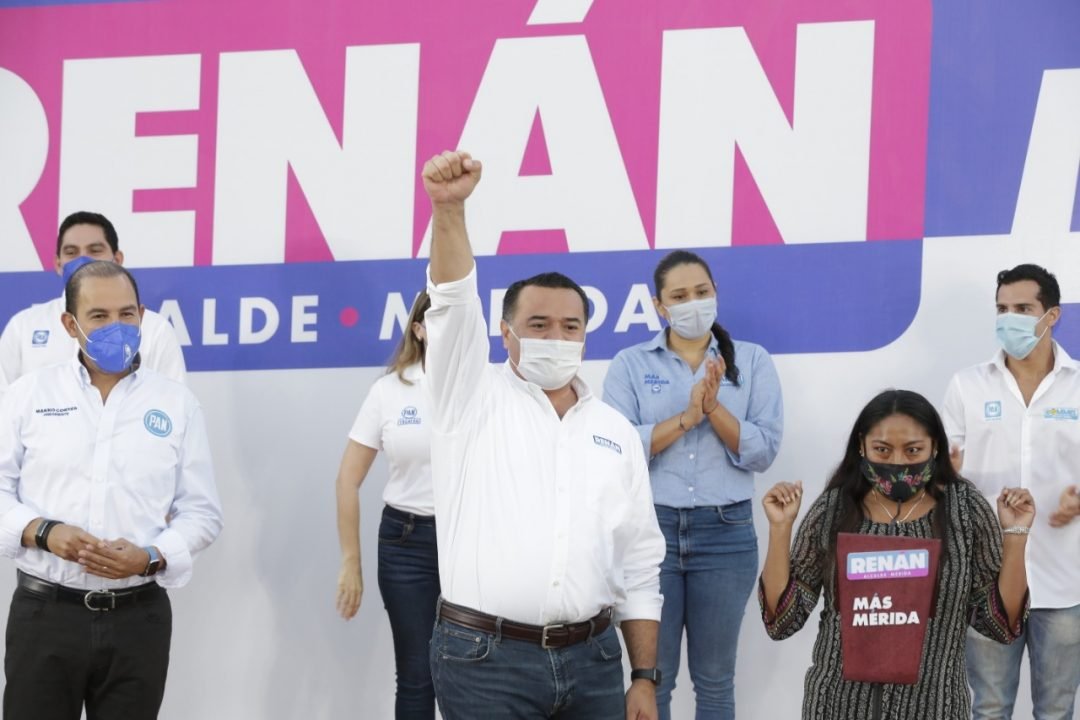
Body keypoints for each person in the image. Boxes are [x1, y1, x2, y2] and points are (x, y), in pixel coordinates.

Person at [421, 150, 665, 720]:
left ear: (585, 336)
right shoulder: (466, 395)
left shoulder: (615, 432)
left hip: (595, 662)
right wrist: (449, 210)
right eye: (538, 325)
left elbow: (638, 563)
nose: (556, 337)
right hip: (485, 661)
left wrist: (644, 678)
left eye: (570, 326)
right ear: (505, 333)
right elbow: (452, 301)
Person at [0, 260, 223, 719]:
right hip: (45, 615)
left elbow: (202, 513)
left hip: (138, 619)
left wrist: (150, 556)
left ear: (142, 317)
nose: (116, 327)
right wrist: (43, 532)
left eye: (126, 314)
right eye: (99, 316)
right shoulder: (28, 396)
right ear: (71, 324)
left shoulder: (176, 403)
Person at [758, 389, 1033, 719]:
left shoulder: (965, 510)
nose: (898, 462)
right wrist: (780, 528)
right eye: (882, 450)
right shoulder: (834, 508)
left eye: (913, 450)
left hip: (935, 708)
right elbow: (783, 621)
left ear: (935, 447)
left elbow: (1001, 624)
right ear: (862, 446)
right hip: (838, 706)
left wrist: (1015, 535)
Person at [603, 250, 783, 720]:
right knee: (651, 679)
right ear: (659, 305)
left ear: (715, 292)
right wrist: (687, 417)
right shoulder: (629, 363)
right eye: (679, 296)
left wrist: (714, 408)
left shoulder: (752, 361)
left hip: (726, 534)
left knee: (716, 681)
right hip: (651, 531)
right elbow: (617, 451)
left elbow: (763, 451)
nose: (692, 303)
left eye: (701, 292)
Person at [942, 263, 1080, 720]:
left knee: (1056, 711)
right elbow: (941, 472)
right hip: (987, 580)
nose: (1009, 319)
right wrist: (943, 475)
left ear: (1052, 315)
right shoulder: (967, 385)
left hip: (1064, 580)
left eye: (1023, 308)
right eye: (1002, 309)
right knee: (989, 708)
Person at [334, 291, 440, 719]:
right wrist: (351, 563)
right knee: (417, 675)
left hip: (471, 540)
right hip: (407, 544)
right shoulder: (390, 390)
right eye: (440, 321)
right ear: (419, 329)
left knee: (475, 676)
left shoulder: (490, 387)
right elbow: (347, 479)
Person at [0, 211, 186, 394]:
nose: (82, 260)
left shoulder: (155, 329)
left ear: (117, 259)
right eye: (71, 252)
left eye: (95, 250)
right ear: (58, 264)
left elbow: (174, 401)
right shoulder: (23, 326)